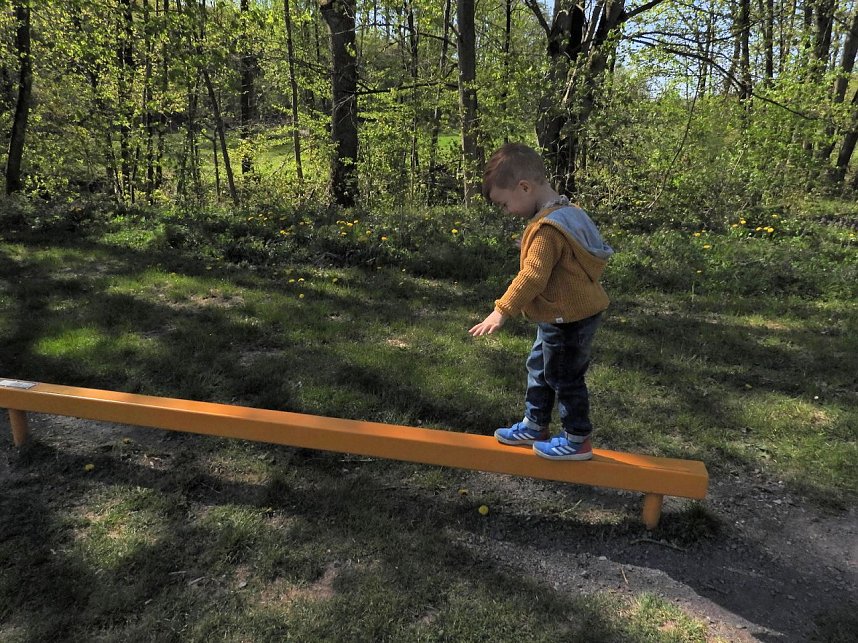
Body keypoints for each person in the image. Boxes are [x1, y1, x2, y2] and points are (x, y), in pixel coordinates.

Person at [469, 143, 613, 461]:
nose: (506, 211)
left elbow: (532, 277)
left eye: (505, 204)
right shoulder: (567, 212)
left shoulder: (547, 230)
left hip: (567, 317)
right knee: (539, 366)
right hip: (562, 313)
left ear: (524, 187)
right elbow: (564, 253)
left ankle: (578, 439)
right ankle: (535, 425)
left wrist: (500, 310)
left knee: (564, 376)